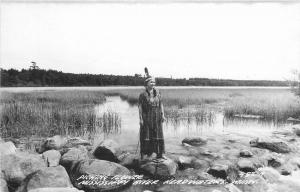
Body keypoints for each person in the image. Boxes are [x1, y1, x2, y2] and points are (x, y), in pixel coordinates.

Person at [138, 76, 166, 160]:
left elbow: (161, 104)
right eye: (151, 82)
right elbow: (140, 107)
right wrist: (140, 119)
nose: (153, 84)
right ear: (146, 84)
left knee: (158, 134)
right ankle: (145, 154)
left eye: (154, 82)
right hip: (147, 117)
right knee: (146, 135)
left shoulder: (158, 92)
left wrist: (163, 115)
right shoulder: (142, 95)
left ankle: (159, 154)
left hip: (157, 116)